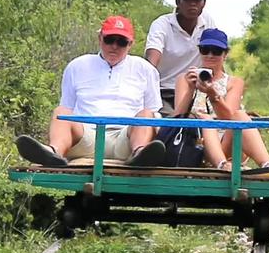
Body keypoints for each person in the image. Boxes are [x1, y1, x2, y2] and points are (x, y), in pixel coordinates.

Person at [17, 16, 168, 169]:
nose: (114, 46)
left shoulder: (145, 69)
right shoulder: (77, 66)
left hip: (125, 137)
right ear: (100, 38)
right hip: (87, 136)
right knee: (61, 112)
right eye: (109, 40)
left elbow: (153, 111)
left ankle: (140, 153)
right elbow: (67, 108)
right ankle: (53, 152)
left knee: (146, 115)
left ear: (130, 44)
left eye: (121, 42)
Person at [173, 28, 269, 170]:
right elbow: (177, 119)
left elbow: (229, 119)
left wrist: (213, 95)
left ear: (225, 54)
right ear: (199, 51)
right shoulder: (185, 79)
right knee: (206, 120)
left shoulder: (234, 82)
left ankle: (267, 165)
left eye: (216, 51)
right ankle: (222, 165)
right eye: (205, 50)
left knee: (239, 115)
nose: (210, 55)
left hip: (225, 142)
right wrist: (190, 90)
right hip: (194, 143)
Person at [144, 0, 220, 110]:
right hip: (164, 91)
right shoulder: (162, 24)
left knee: (209, 121)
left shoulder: (207, 22)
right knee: (168, 125)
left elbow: (216, 58)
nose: (193, 3)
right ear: (178, 2)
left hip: (197, 90)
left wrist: (223, 91)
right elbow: (151, 62)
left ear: (204, 3)